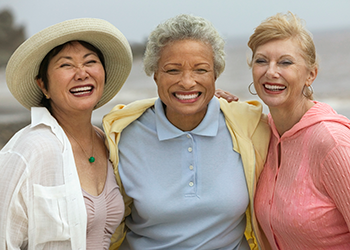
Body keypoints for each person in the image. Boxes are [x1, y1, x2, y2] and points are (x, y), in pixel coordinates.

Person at [103, 14, 271, 250]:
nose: (187, 82)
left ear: (215, 75)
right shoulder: (121, 134)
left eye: (200, 70)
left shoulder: (249, 127)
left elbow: (298, 125)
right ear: (155, 75)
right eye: (172, 70)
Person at [0, 18, 133, 249]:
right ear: (43, 85)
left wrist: (210, 103)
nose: (82, 73)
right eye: (66, 65)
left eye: (90, 61)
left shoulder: (107, 142)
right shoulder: (30, 149)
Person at [247, 12, 350, 249]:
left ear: (310, 75)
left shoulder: (333, 143)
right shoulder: (264, 132)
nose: (271, 72)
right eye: (261, 61)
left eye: (285, 62)